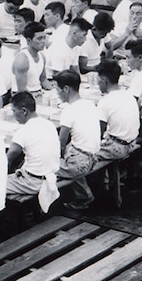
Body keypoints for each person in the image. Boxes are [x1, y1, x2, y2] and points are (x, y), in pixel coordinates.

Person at [54, 70, 101, 210]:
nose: (57, 93)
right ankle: (83, 194)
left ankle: (44, 208)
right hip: (93, 157)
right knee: (72, 150)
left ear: (66, 89)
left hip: (80, 162)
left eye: (58, 90)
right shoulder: (89, 104)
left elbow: (60, 145)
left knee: (44, 168)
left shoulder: (69, 111)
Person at [5, 91, 61, 206]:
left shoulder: (23, 131)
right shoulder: (49, 124)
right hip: (51, 175)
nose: (13, 115)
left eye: (14, 111)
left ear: (24, 111)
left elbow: (8, 159)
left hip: (34, 182)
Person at [13, 22, 51, 94]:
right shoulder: (22, 60)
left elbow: (43, 80)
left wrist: (54, 91)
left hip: (38, 93)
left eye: (44, 38)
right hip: (23, 98)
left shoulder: (42, 56)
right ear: (29, 41)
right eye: (39, 38)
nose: (43, 41)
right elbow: (22, 90)